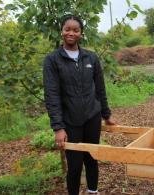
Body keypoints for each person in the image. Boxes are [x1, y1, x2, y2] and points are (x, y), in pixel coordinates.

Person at [43, 15, 115, 195]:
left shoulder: (91, 57)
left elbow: (100, 88)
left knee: (92, 158)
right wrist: (58, 127)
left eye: (76, 30)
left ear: (81, 33)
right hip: (70, 121)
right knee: (74, 166)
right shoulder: (52, 60)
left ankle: (93, 191)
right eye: (67, 29)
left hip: (92, 117)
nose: (71, 33)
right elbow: (51, 95)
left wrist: (106, 114)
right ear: (61, 31)